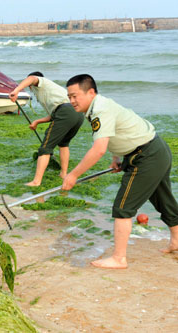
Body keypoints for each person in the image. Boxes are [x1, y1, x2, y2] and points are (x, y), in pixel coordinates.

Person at [63, 74, 178, 269]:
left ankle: (119, 258)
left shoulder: (100, 109)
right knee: (162, 198)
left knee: (123, 207)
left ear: (91, 92)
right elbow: (114, 133)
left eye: (75, 96)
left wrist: (73, 175)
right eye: (69, 97)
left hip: (147, 156)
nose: (72, 101)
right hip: (154, 150)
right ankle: (176, 241)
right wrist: (116, 158)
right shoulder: (98, 107)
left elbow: (98, 149)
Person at [9, 72, 84, 186]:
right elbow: (55, 115)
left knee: (45, 148)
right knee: (63, 144)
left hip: (66, 111)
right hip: (78, 113)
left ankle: (36, 181)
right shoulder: (50, 92)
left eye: (30, 86)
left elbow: (31, 78)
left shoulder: (41, 82)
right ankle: (63, 174)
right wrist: (37, 121)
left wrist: (16, 91)